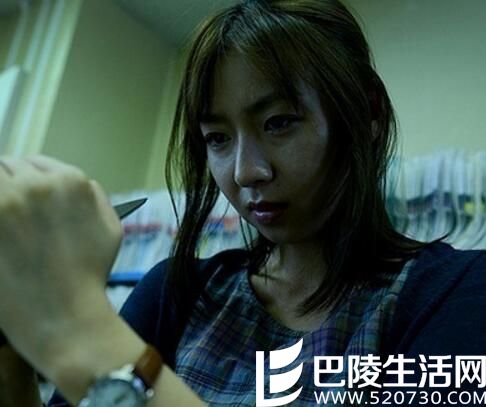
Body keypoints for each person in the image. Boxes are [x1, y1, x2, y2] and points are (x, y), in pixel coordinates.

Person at [0, 0, 485, 406]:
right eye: (217, 138)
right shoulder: (175, 293)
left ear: (367, 112)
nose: (244, 172)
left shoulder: (458, 294)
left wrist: (80, 327)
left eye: (279, 123)